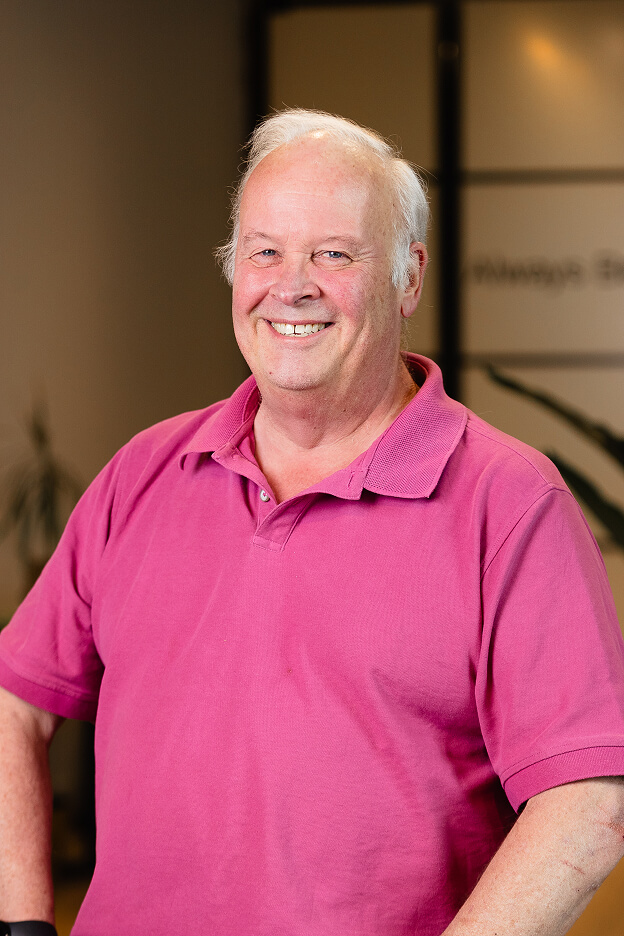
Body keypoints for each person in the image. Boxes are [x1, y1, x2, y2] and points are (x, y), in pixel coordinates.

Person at [0, 109, 624, 936]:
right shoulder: (143, 473)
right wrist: (22, 925)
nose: (291, 285)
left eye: (334, 254)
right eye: (265, 251)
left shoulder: (509, 501)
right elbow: (16, 700)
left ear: (408, 278)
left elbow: (588, 799)